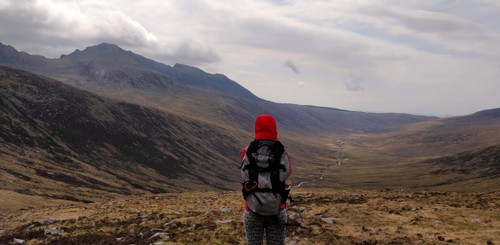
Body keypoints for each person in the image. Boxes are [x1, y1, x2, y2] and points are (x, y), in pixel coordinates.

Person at [241, 114, 292, 245]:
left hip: (252, 210)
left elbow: (244, 176)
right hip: (277, 210)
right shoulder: (282, 154)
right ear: (274, 129)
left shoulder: (246, 152)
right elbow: (287, 173)